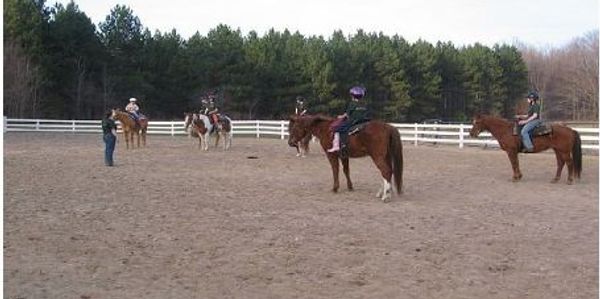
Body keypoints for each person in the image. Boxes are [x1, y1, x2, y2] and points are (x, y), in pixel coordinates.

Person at [327, 86, 369, 153]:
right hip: (364, 120)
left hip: (354, 121)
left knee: (336, 129)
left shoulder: (352, 103)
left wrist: (340, 117)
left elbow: (346, 114)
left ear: (352, 96)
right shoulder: (364, 103)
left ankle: (336, 146)